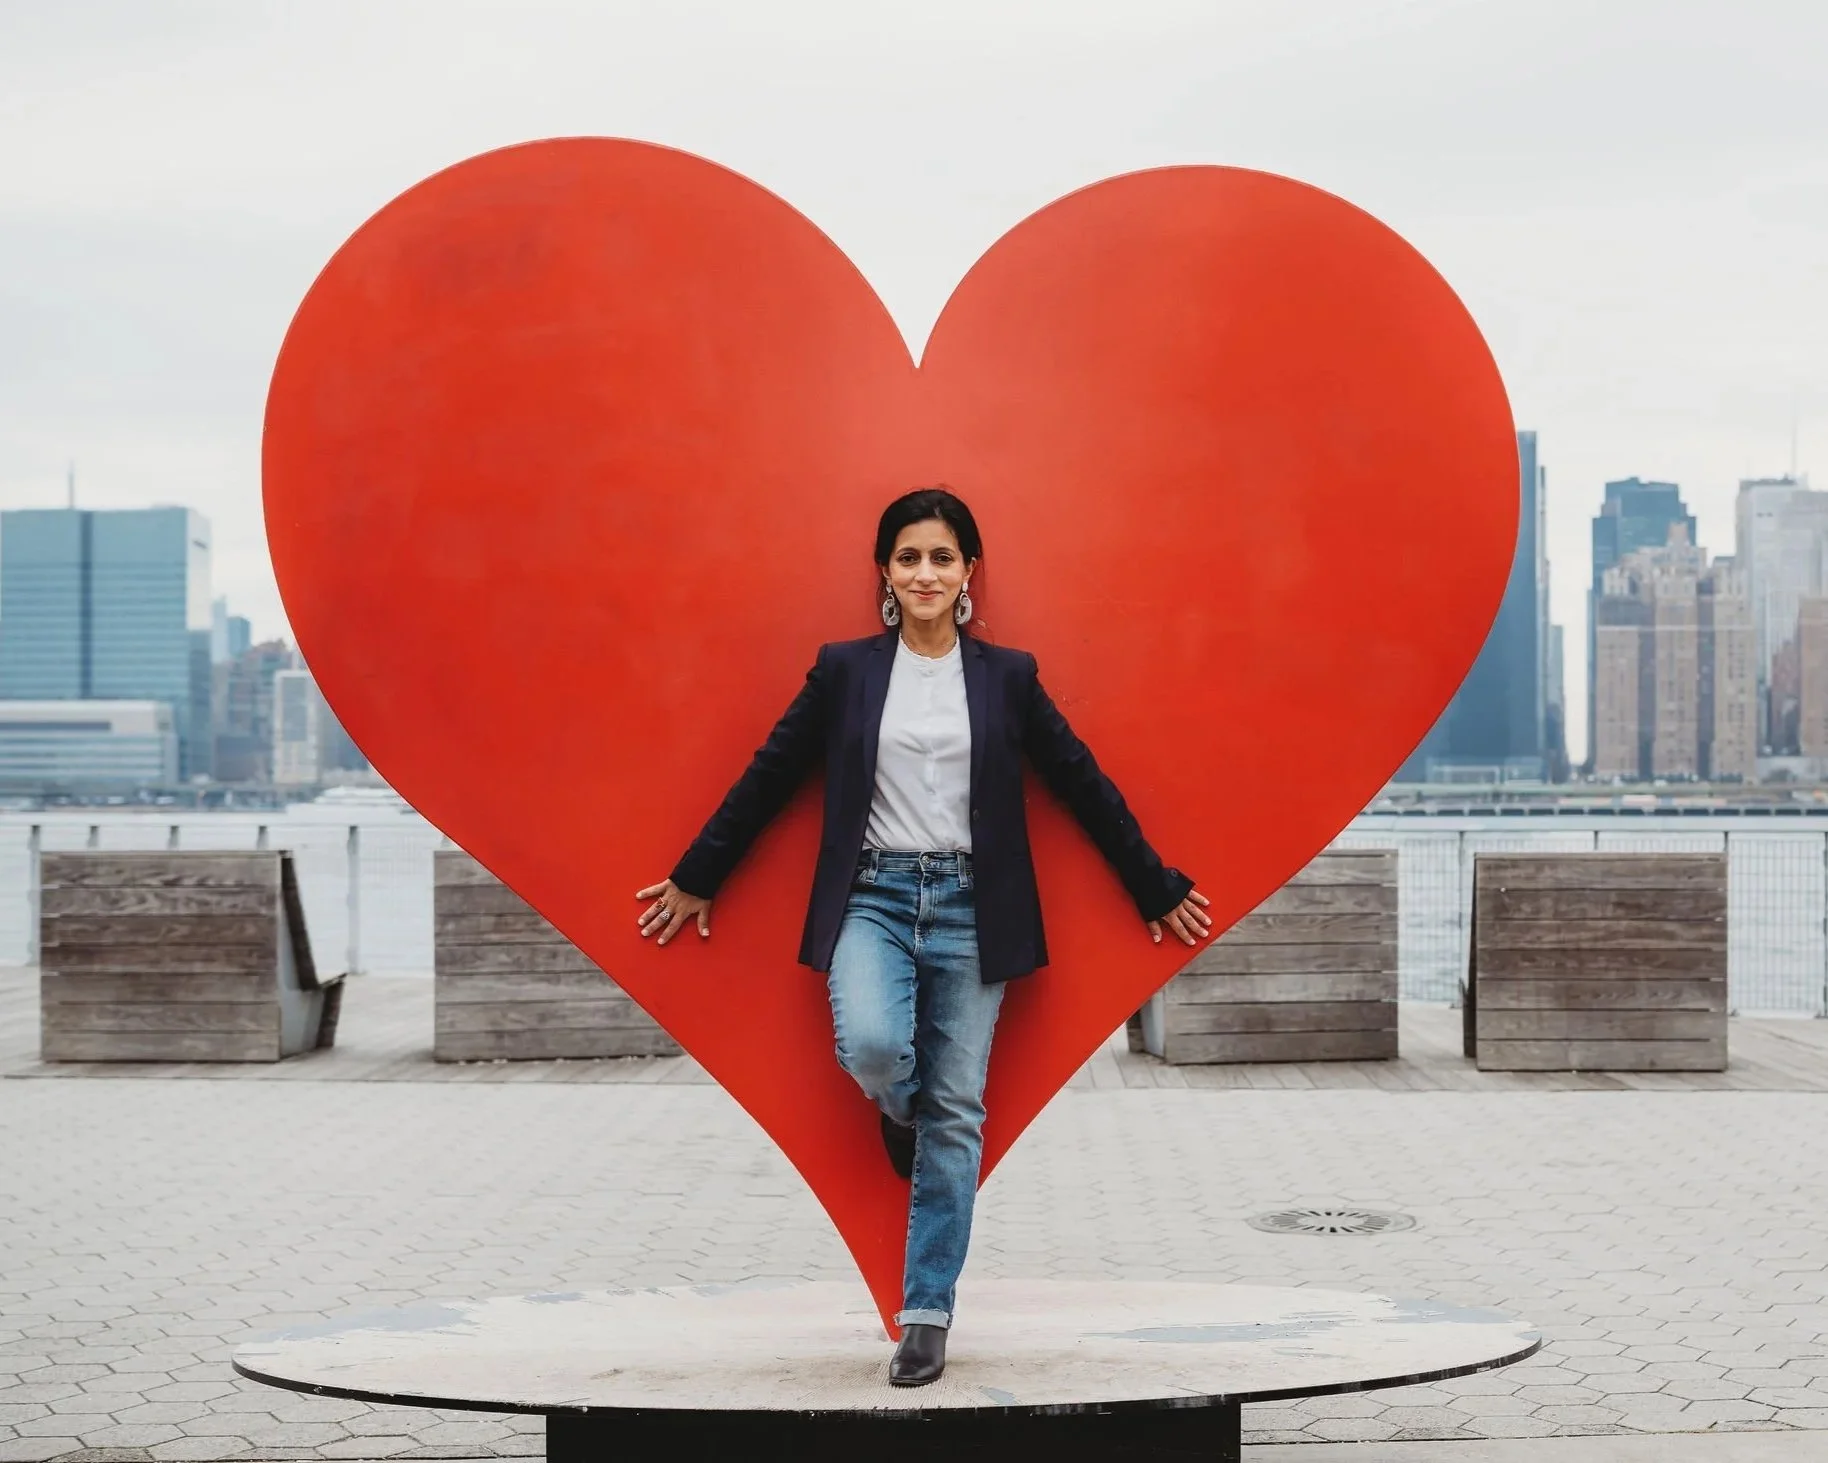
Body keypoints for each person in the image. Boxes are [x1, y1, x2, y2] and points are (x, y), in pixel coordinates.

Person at [636, 486, 1211, 1386]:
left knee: (960, 1111)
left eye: (942, 557)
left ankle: (926, 1312)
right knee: (871, 1044)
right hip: (874, 894)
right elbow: (771, 771)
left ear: (969, 572)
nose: (925, 573)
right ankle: (896, 1110)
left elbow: (1079, 779)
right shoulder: (846, 671)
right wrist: (697, 875)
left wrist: (1153, 883)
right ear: (885, 573)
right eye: (909, 557)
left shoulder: (1007, 677)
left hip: (975, 908)